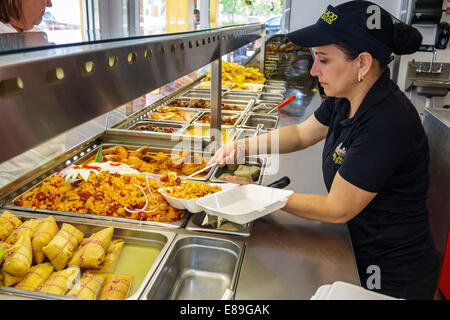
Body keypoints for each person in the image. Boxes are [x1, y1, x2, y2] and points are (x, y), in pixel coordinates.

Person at [208, 1, 440, 300]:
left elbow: (337, 208)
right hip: (355, 245)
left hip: (388, 273)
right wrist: (240, 147)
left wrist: (261, 195)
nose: (314, 70)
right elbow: (303, 134)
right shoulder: (346, 95)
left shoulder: (386, 123)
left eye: (323, 60)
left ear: (363, 63)